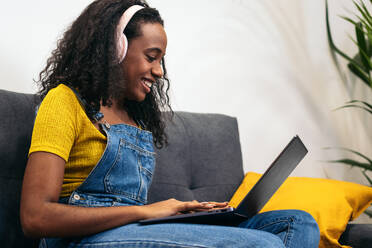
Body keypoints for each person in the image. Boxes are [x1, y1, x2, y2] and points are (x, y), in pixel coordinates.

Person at [20, 0, 320, 247]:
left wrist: (185, 213)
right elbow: (35, 218)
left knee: (298, 223)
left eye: (161, 60)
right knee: (263, 245)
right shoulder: (64, 102)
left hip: (128, 231)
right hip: (82, 241)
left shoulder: (135, 116)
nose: (160, 71)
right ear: (115, 48)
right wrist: (146, 211)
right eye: (152, 57)